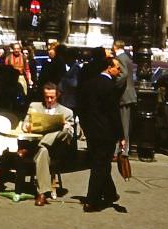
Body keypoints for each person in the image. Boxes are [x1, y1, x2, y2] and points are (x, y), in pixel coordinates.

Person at [78, 55, 123, 212]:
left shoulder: (88, 84)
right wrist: (121, 135)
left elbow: (81, 108)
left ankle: (110, 193)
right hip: (106, 133)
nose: (119, 71)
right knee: (100, 166)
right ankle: (91, 200)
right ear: (109, 68)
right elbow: (113, 113)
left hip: (91, 132)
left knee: (100, 163)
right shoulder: (110, 87)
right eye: (118, 68)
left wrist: (84, 126)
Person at [21, 82, 74, 206]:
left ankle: (42, 143)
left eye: (52, 97)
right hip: (37, 147)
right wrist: (27, 126)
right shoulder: (35, 106)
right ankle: (42, 193)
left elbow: (69, 136)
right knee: (43, 151)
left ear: (57, 96)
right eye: (46, 97)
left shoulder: (67, 112)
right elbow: (25, 125)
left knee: (63, 130)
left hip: (56, 148)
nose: (49, 100)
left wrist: (66, 127)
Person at [113, 40, 136, 160]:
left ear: (114, 46)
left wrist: (114, 84)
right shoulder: (127, 57)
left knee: (123, 124)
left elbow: (123, 74)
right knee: (123, 124)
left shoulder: (120, 57)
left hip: (124, 95)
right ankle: (120, 149)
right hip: (127, 95)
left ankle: (123, 150)